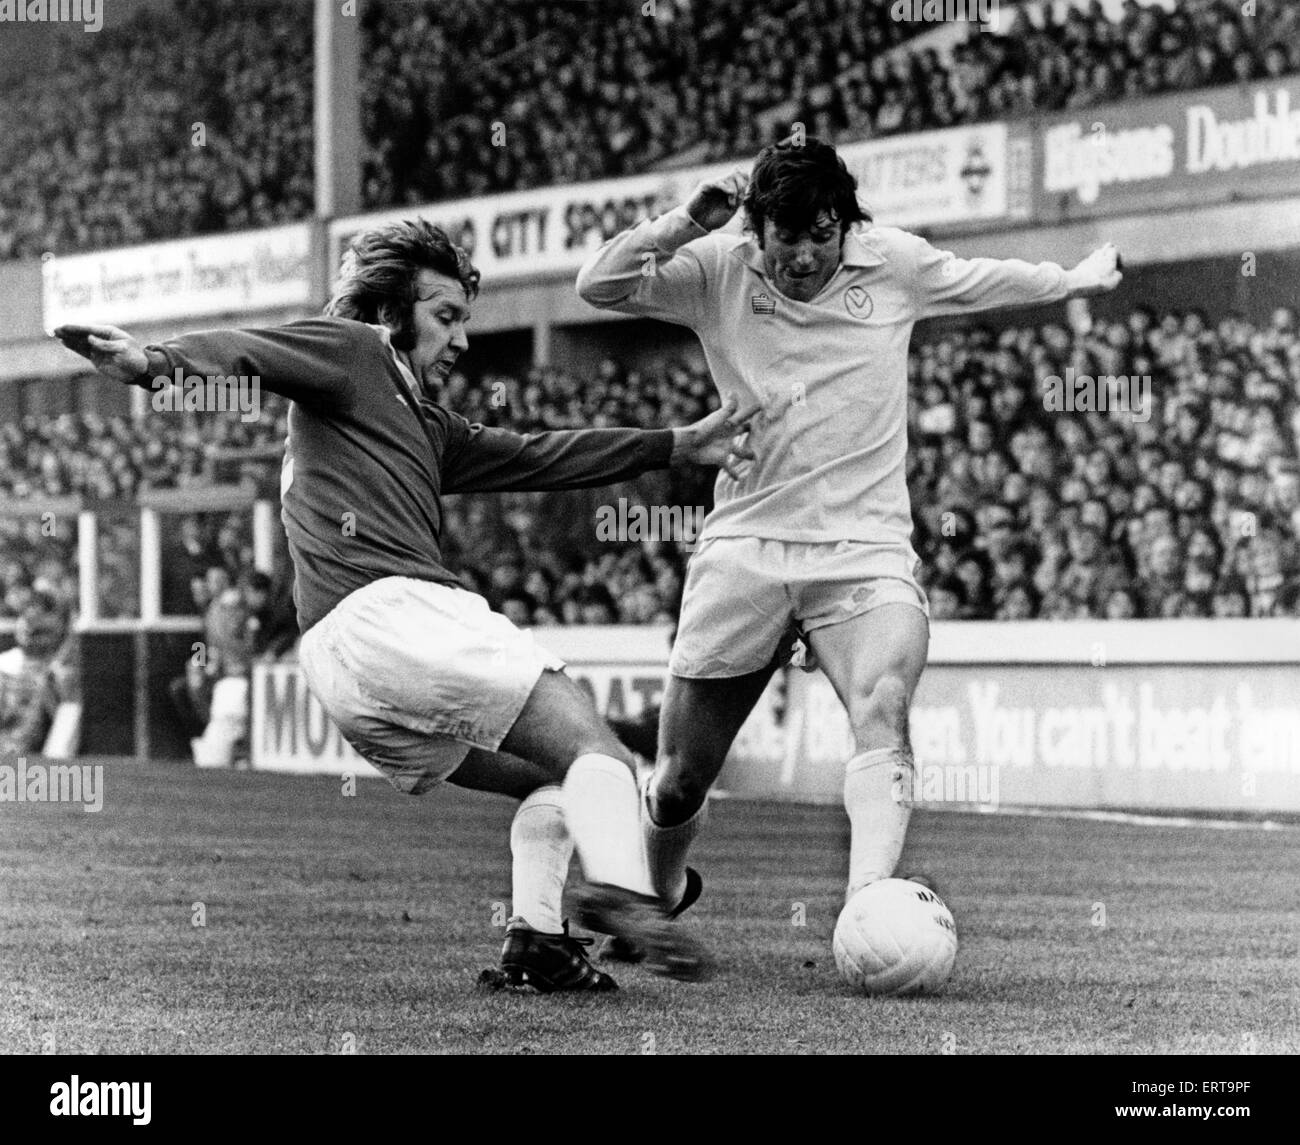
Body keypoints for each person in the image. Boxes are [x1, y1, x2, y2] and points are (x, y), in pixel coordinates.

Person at [54, 217, 756, 991]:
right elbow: (253, 350)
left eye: (465, 320)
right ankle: (628, 893)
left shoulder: (423, 421)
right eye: (446, 316)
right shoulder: (359, 352)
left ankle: (537, 941)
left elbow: (536, 454)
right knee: (598, 750)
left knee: (549, 782)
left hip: (341, 667)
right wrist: (155, 363)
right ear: (393, 310)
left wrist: (676, 444)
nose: (460, 339)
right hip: (390, 609)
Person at [576, 138, 1122, 956]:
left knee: (883, 706)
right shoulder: (719, 266)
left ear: (846, 223)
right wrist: (687, 220)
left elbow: (986, 278)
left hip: (864, 548)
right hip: (748, 544)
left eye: (820, 235)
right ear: (756, 230)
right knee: (681, 773)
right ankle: (660, 894)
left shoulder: (892, 263)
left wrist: (1074, 279)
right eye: (784, 238)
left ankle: (869, 907)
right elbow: (599, 284)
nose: (801, 256)